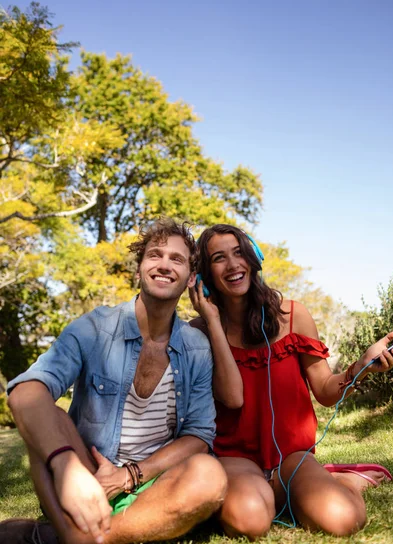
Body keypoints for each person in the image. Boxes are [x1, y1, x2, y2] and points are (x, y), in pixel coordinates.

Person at [1, 218, 227, 544]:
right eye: (155, 255)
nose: (164, 265)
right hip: (82, 474)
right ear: (139, 270)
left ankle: (69, 537)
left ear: (191, 278)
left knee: (209, 476)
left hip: (149, 483)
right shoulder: (94, 328)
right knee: (40, 415)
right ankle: (92, 527)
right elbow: (25, 391)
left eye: (176, 259)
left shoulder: (196, 347)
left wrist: (128, 476)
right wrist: (68, 467)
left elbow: (199, 434)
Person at [189, 223, 393, 539]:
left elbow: (326, 391)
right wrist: (213, 322)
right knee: (248, 522)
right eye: (219, 258)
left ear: (253, 258)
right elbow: (230, 397)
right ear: (205, 276)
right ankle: (276, 495)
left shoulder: (293, 316)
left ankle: (348, 481)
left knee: (343, 520)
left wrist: (362, 367)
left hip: (292, 457)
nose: (233, 265)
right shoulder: (198, 332)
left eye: (238, 253)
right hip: (234, 458)